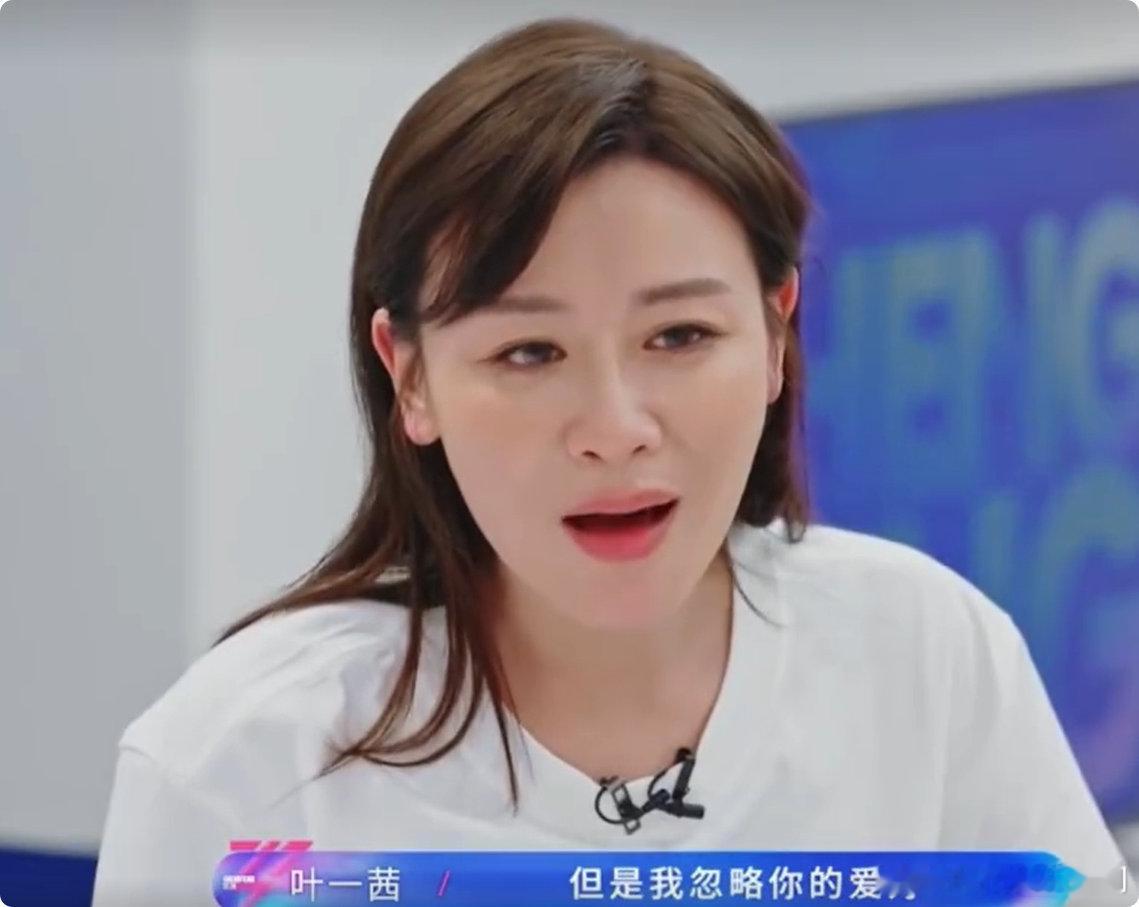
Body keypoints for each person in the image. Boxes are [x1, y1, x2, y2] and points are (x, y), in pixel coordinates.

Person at [91, 16, 1131, 907]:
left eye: (678, 336)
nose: (614, 426)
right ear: (409, 376)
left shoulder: (925, 653)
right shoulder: (238, 766)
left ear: (775, 334)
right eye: (528, 352)